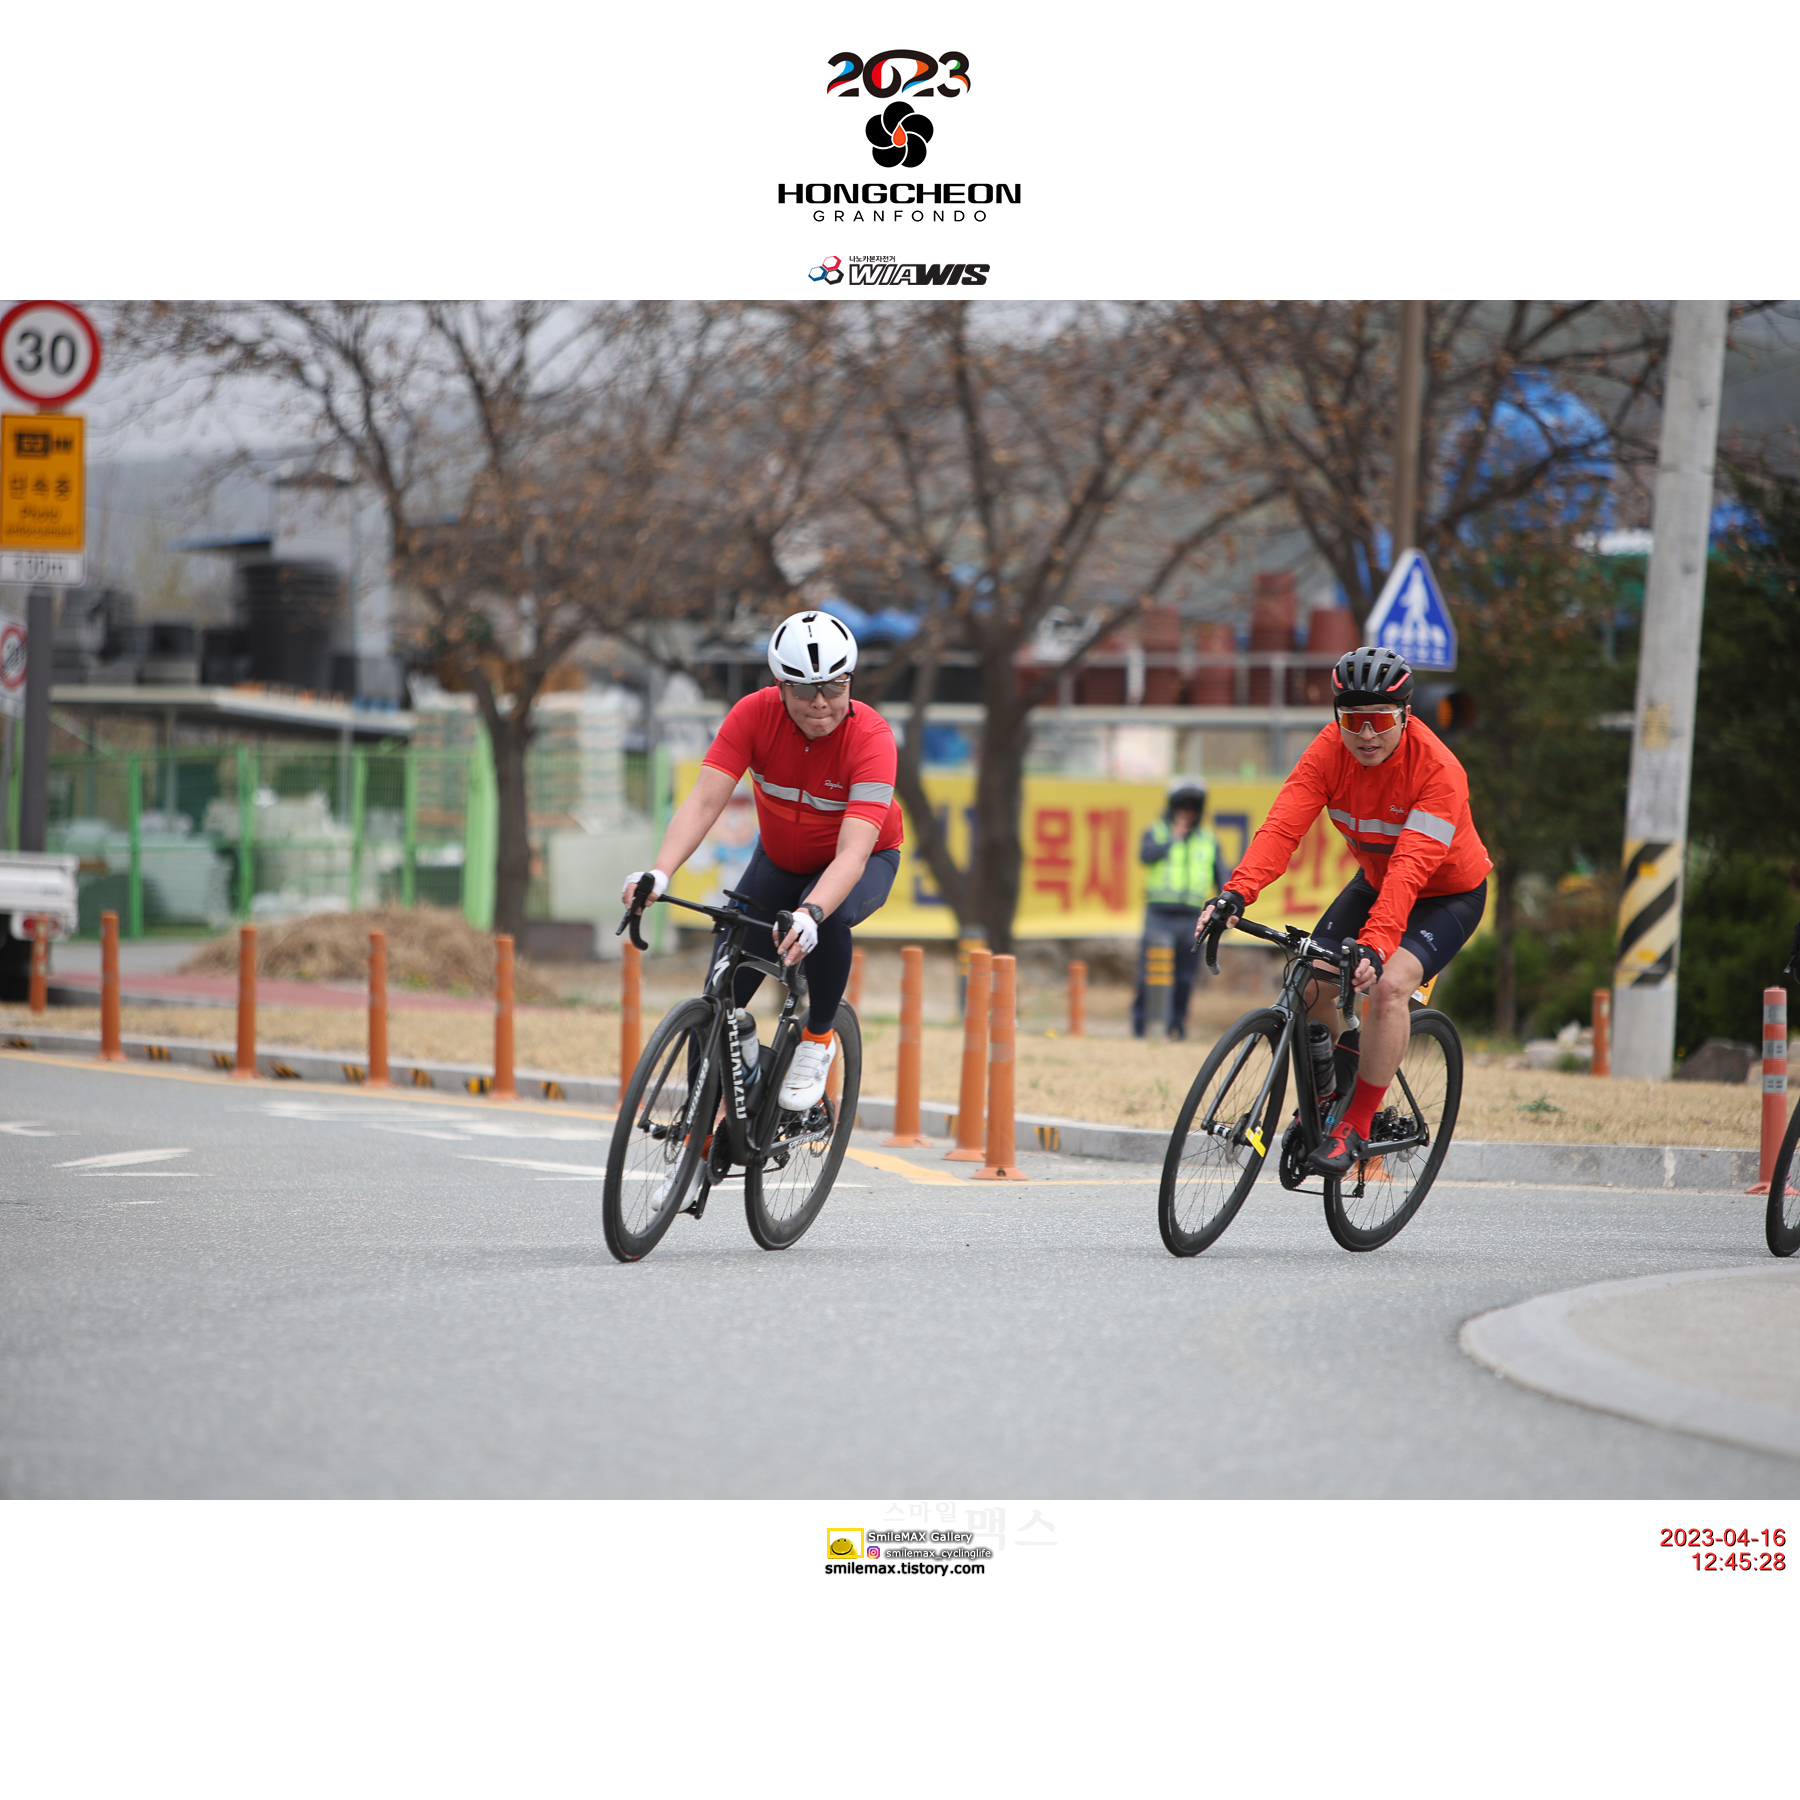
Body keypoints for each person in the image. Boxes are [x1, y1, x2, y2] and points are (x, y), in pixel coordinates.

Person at [1195, 645, 1491, 1175]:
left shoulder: (1439, 771)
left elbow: (1409, 873)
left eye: (1380, 720)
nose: (1367, 735)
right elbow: (1281, 829)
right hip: (1375, 882)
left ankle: (1355, 1123)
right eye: (1353, 721)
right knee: (1313, 982)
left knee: (1389, 986)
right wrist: (1235, 894)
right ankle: (1326, 1097)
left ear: (1406, 715)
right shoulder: (1328, 751)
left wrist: (1376, 946)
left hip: (1446, 895)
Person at [621, 610, 902, 1111]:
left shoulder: (872, 739)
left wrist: (811, 912)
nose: (821, 702)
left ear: (850, 681)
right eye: (805, 689)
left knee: (829, 917)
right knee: (719, 996)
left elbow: (854, 852)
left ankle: (817, 1039)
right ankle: (701, 1129)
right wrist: (660, 871)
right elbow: (703, 802)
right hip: (777, 861)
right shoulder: (753, 714)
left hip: (859, 862)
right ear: (780, 686)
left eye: (835, 686)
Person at [1132, 777, 1226, 1040]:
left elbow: (1222, 876)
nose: (1187, 813)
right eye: (1182, 807)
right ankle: (1141, 1027)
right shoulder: (1157, 831)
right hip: (1159, 915)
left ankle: (1177, 1027)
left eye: (1192, 808)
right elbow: (1145, 855)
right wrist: (1174, 839)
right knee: (1149, 974)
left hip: (1192, 917)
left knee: (1185, 977)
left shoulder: (1208, 840)